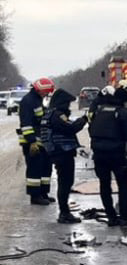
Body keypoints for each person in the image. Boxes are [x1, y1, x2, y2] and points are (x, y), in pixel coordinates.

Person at [87, 85, 127, 226]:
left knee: (104, 185)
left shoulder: (99, 110)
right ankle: (125, 216)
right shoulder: (121, 113)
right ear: (123, 101)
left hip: (98, 154)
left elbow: (91, 130)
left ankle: (111, 217)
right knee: (123, 184)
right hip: (116, 154)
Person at [43, 88, 88, 223]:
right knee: (65, 182)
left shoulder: (50, 113)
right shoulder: (57, 115)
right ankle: (64, 213)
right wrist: (84, 119)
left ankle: (65, 211)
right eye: (67, 103)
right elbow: (70, 128)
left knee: (65, 182)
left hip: (58, 152)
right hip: (62, 152)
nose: (68, 106)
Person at [17, 77, 56, 205]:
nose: (47, 94)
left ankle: (43, 193)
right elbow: (26, 124)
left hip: (41, 141)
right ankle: (35, 196)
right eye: (47, 92)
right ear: (40, 90)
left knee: (45, 167)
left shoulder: (37, 100)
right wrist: (31, 141)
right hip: (32, 142)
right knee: (35, 169)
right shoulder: (28, 101)